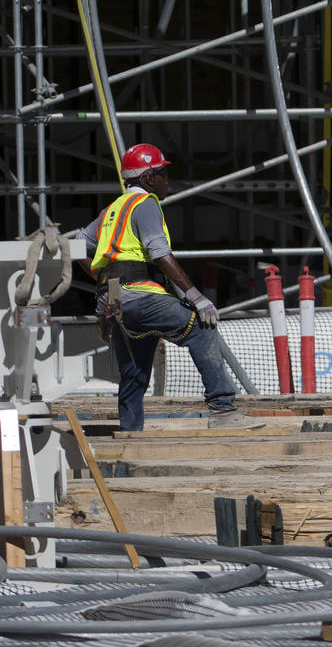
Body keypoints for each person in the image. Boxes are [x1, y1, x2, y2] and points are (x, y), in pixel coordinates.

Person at [77, 143, 259, 431]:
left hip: (114, 301)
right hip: (140, 296)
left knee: (134, 373)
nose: (166, 181)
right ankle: (223, 410)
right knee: (201, 328)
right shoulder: (146, 204)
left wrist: (105, 282)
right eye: (161, 173)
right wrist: (195, 296)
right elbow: (161, 255)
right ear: (149, 178)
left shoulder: (111, 210)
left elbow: (77, 245)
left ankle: (130, 434)